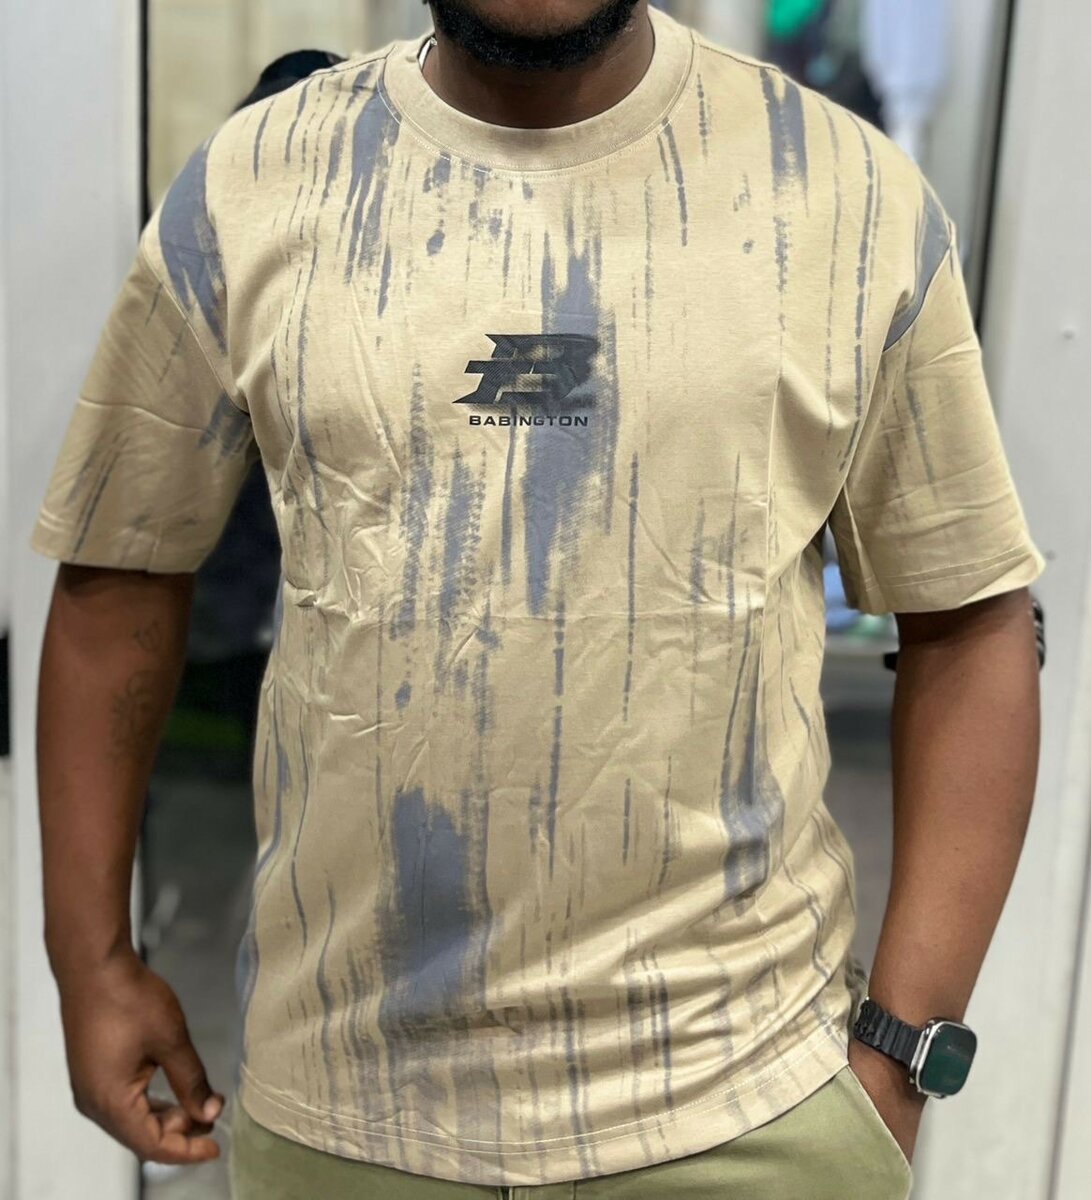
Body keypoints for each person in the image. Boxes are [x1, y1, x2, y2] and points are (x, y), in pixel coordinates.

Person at [30, 2, 1046, 1197]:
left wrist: (902, 1053)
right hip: (342, 1116)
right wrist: (88, 959)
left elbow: (965, 617)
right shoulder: (251, 186)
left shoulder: (845, 196)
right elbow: (121, 573)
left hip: (750, 1106)